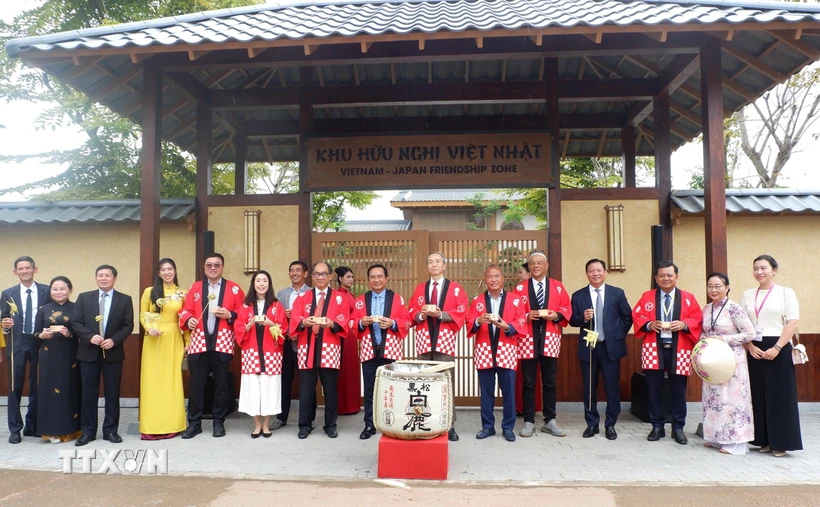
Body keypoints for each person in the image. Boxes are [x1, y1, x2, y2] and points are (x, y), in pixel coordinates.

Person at [632, 261, 702, 445]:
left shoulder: (688, 298)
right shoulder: (647, 297)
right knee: (653, 387)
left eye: (669, 275)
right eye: (661, 275)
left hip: (680, 348)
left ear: (676, 277)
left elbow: (697, 318)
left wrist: (684, 324)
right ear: (656, 278)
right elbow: (637, 315)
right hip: (653, 347)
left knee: (678, 388)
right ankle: (657, 426)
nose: (665, 278)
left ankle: (678, 427)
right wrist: (649, 324)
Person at [741, 255, 802, 457]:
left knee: (780, 396)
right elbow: (742, 324)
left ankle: (781, 442)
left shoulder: (786, 292)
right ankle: (763, 440)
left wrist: (777, 347)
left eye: (764, 268)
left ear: (774, 270)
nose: (759, 272)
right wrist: (749, 345)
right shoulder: (747, 295)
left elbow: (792, 322)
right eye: (755, 268)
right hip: (755, 348)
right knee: (758, 395)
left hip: (779, 346)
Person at [179, 253, 245, 439]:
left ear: (222, 267)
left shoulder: (233, 289)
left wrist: (230, 314)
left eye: (217, 264)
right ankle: (194, 424)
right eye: (209, 265)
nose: (213, 267)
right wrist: (189, 319)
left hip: (223, 342)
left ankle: (218, 422)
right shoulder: (196, 288)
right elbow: (184, 310)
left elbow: (243, 312)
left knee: (221, 386)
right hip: (198, 342)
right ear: (204, 267)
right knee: (196, 385)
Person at [569, 259, 633, 440]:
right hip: (589, 346)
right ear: (586, 274)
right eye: (591, 271)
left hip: (610, 346)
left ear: (605, 272)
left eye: (598, 270)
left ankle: (611, 424)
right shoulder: (578, 295)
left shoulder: (617, 293)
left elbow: (627, 317)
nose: (595, 274)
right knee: (589, 388)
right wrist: (582, 317)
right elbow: (571, 320)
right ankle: (592, 424)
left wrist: (618, 335)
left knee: (612, 387)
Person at [73, 264, 134, 446]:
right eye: (100, 275)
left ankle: (110, 431)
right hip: (88, 352)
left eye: (107, 275)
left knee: (112, 393)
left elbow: (128, 325)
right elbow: (76, 322)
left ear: (114, 278)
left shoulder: (124, 299)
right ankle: (88, 431)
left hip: (113, 353)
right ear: (96, 278)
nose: (103, 278)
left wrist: (114, 340)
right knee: (88, 393)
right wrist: (90, 337)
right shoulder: (84, 298)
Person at [409, 252, 468, 442]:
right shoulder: (420, 289)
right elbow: (411, 310)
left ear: (444, 266)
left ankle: (449, 424)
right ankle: (425, 420)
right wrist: (422, 314)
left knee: (446, 383)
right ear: (427, 267)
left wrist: (441, 313)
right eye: (430, 262)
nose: (434, 265)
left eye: (437, 262)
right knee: (424, 383)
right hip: (424, 340)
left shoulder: (456, 289)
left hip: (445, 341)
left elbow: (462, 310)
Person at [289, 261, 350, 439]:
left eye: (324, 274)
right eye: (317, 274)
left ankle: (330, 425)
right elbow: (295, 320)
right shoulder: (303, 298)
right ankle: (305, 425)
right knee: (306, 390)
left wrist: (332, 323)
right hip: (306, 347)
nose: (320, 277)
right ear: (312, 276)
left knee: (330, 389)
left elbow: (343, 318)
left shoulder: (340, 298)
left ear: (330, 276)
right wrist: (303, 322)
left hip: (330, 347)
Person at [513, 250, 570, 438]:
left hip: (550, 337)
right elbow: (514, 313)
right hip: (527, 338)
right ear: (529, 267)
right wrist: (526, 316)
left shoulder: (558, 287)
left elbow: (566, 308)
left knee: (550, 381)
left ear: (546, 266)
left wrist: (556, 315)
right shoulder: (520, 289)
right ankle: (528, 420)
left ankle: (550, 420)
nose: (536, 266)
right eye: (532, 263)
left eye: (539, 263)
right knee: (528, 381)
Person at [351, 263, 411, 440]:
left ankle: (391, 423)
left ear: (386, 278)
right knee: (369, 390)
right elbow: (351, 322)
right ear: (368, 280)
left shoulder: (397, 299)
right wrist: (362, 322)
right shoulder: (361, 300)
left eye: (379, 276)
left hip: (390, 350)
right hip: (369, 350)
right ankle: (369, 424)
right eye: (372, 277)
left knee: (391, 389)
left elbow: (406, 320)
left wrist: (392, 323)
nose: (376, 280)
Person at [467, 265, 525, 443]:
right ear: (485, 279)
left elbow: (521, 321)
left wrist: (506, 326)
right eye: (490, 276)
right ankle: (487, 426)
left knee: (508, 391)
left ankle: (508, 427)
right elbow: (469, 321)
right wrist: (478, 320)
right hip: (484, 349)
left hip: (507, 349)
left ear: (503, 279)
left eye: (497, 276)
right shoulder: (477, 300)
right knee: (486, 391)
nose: (493, 279)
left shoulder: (515, 300)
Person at [701, 272, 755, 455]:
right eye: (710, 286)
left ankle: (736, 442)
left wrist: (725, 339)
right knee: (714, 399)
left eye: (718, 286)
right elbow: (704, 332)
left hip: (732, 359)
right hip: (712, 359)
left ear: (727, 287)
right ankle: (717, 437)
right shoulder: (707, 308)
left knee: (732, 399)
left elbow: (750, 333)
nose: (713, 290)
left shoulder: (734, 308)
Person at [1, 256, 50, 444]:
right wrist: (4, 325)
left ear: (34, 269)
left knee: (38, 384)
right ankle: (15, 429)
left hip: (39, 342)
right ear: (15, 272)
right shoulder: (7, 293)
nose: (24, 271)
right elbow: (4, 319)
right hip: (17, 343)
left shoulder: (46, 291)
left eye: (27, 268)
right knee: (15, 387)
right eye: (20, 269)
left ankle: (33, 425)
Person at [138, 258, 187, 440]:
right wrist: (148, 327)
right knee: (152, 382)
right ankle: (151, 426)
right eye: (163, 270)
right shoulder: (149, 292)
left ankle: (173, 425)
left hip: (174, 338)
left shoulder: (182, 293)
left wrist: (188, 341)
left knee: (172, 381)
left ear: (175, 271)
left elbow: (185, 319)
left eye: (170, 269)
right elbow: (143, 314)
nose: (167, 272)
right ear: (158, 273)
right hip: (153, 338)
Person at [235, 270, 288, 438]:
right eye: (258, 281)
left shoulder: (276, 305)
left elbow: (283, 331)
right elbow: (238, 328)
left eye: (265, 280)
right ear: (253, 284)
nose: (261, 284)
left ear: (269, 284)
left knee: (269, 389)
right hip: (251, 354)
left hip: (271, 354)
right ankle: (256, 424)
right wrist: (250, 323)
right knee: (252, 390)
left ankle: (266, 424)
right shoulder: (245, 306)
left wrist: (270, 323)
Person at [34, 276, 80, 443]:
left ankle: (71, 430)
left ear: (70, 290)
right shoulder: (43, 309)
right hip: (48, 356)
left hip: (70, 356)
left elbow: (81, 331)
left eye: (62, 288)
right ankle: (50, 431)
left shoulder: (77, 308)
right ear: (50, 290)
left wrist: (70, 334)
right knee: (49, 392)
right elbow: (35, 333)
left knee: (70, 391)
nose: (58, 292)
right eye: (55, 288)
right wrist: (42, 335)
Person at [273, 260, 311, 430]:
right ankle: (281, 417)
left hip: (305, 342)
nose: (294, 273)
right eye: (291, 270)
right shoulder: (281, 294)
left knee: (307, 381)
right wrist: (284, 315)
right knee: (284, 381)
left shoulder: (312, 293)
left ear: (305, 273)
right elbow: (275, 318)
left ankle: (307, 419)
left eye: (298, 270)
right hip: (286, 343)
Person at [335, 266, 361, 416]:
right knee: (342, 369)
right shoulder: (338, 295)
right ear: (340, 278)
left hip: (351, 335)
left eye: (352, 277)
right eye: (348, 277)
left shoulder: (350, 295)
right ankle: (343, 405)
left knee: (351, 369)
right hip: (343, 334)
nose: (351, 279)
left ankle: (352, 404)